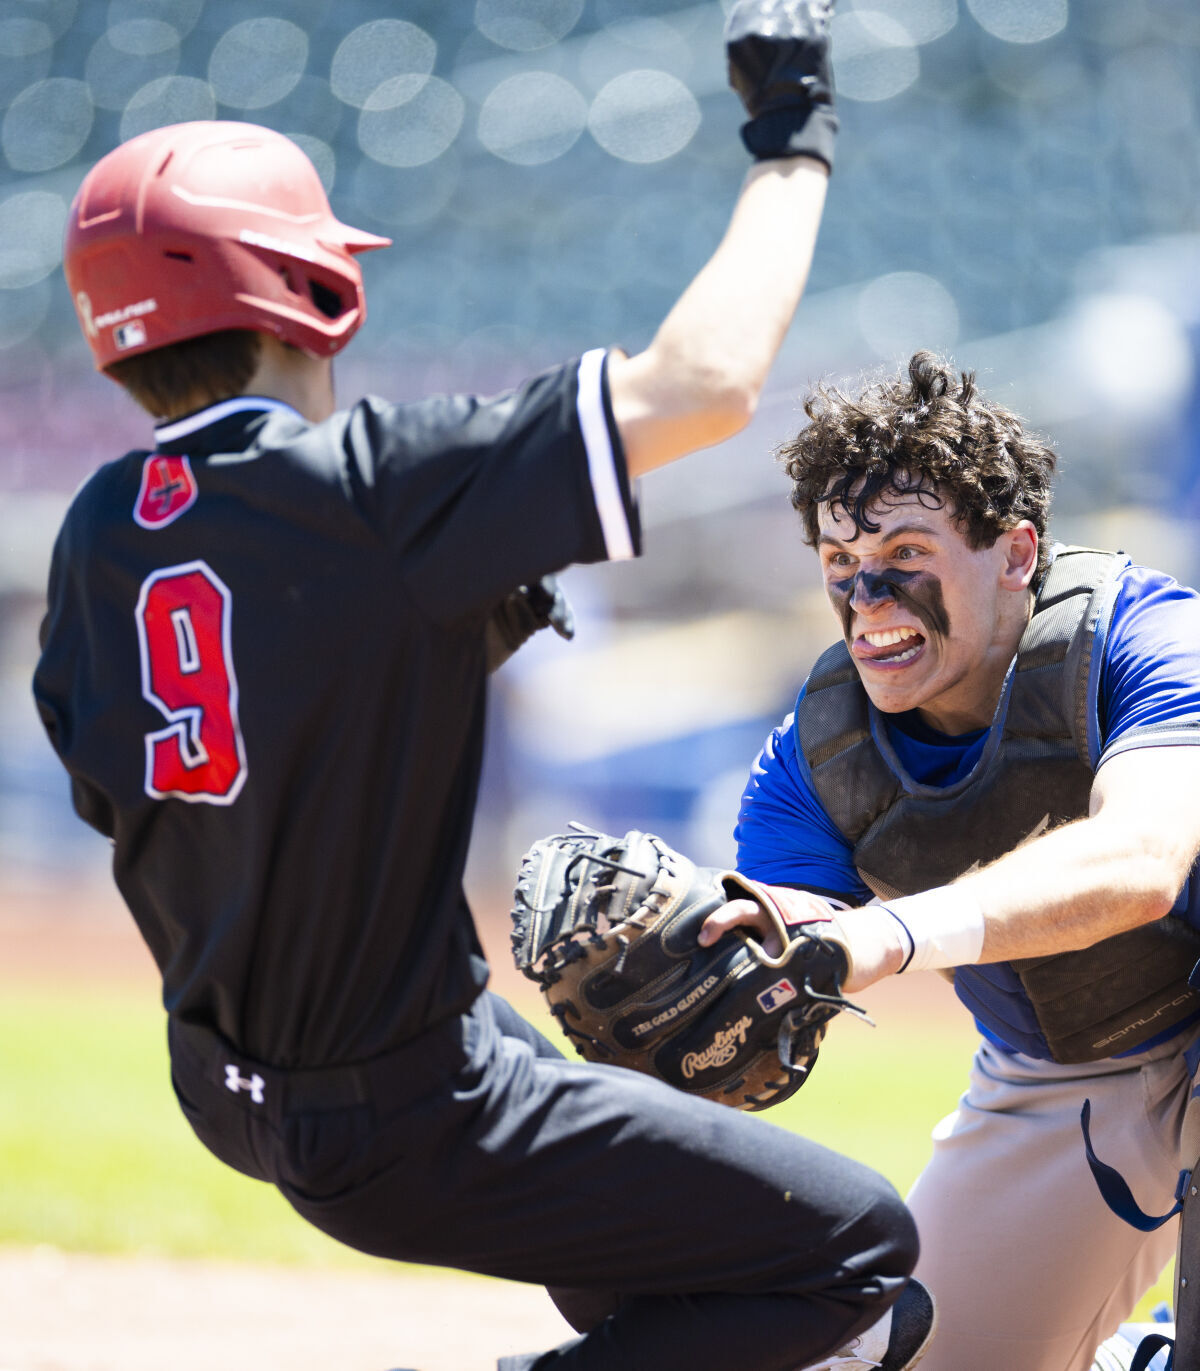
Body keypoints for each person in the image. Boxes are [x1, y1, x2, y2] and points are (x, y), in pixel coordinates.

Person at [30, 10, 940, 1369]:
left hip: (232, 1087)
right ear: (313, 288)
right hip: (412, 1106)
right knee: (861, 1258)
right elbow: (702, 387)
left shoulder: (99, 530)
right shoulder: (369, 486)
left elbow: (141, 784)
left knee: (672, 1285)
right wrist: (789, 138)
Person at [704, 351, 1200, 1371]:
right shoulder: (817, 752)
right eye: (840, 557)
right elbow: (787, 943)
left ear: (1016, 551)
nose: (868, 591)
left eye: (906, 550)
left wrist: (886, 932)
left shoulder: (1139, 628)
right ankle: (1186, 1348)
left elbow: (1140, 861)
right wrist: (698, 972)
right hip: (1075, 1064)